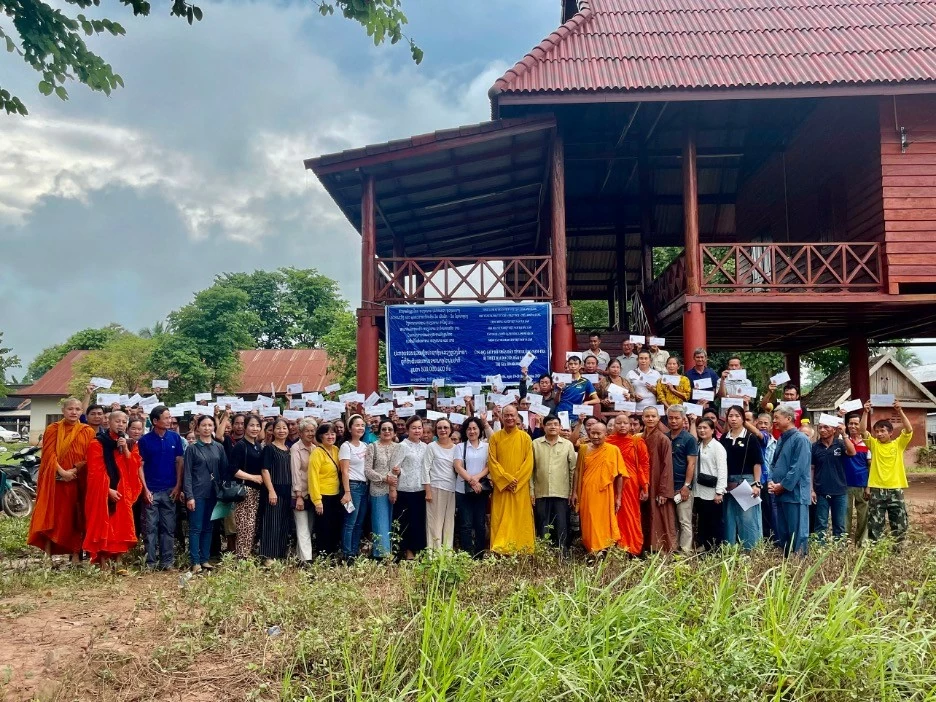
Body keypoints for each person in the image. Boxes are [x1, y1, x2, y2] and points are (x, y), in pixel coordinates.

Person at [28, 397, 97, 561]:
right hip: (56, 482)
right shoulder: (53, 429)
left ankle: (75, 556)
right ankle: (48, 556)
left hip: (76, 481)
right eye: (70, 409)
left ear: (81, 412)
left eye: (77, 409)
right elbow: (48, 454)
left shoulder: (87, 431)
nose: (74, 412)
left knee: (75, 518)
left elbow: (90, 456)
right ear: (63, 411)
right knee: (52, 517)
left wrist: (74, 469)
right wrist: (62, 472)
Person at [82, 410, 142, 571]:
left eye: (124, 422)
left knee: (122, 526)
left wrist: (126, 450)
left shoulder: (129, 444)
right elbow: (94, 472)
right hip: (104, 492)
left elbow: (135, 466)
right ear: (109, 422)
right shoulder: (97, 443)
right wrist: (107, 490)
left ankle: (119, 560)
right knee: (103, 526)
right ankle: (103, 563)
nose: (120, 424)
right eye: (117, 421)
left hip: (123, 491)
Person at [136, 405, 185, 570]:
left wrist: (178, 485)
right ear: (155, 421)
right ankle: (150, 563)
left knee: (168, 528)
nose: (169, 420)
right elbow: (140, 465)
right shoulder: (144, 440)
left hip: (170, 490)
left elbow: (179, 462)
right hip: (151, 490)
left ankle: (167, 562)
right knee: (150, 529)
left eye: (170, 417)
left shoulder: (175, 438)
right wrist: (145, 489)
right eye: (166, 417)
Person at [859, 399, 912, 543]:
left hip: (895, 489)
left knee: (900, 525)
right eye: (876, 431)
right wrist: (865, 412)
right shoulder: (874, 445)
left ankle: (898, 553)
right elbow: (862, 430)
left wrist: (900, 411)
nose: (879, 434)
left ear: (890, 433)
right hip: (877, 490)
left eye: (882, 431)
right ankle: (875, 553)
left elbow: (908, 430)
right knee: (875, 525)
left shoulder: (898, 444)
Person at [487, 405, 536, 554]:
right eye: (506, 415)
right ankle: (500, 549)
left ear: (517, 417)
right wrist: (506, 480)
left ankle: (522, 548)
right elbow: (492, 462)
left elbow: (529, 463)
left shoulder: (525, 437)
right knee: (501, 518)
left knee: (520, 519)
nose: (509, 418)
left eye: (512, 415)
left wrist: (515, 482)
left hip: (519, 488)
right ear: (501, 417)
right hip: (502, 488)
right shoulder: (495, 437)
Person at [573, 421, 627, 554]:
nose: (595, 436)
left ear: (606, 434)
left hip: (605, 493)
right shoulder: (584, 449)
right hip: (587, 492)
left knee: (604, 521)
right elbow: (578, 471)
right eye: (593, 433)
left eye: (599, 433)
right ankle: (591, 549)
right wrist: (574, 492)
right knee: (589, 521)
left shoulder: (613, 450)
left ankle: (602, 549)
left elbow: (620, 474)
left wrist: (618, 497)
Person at [184, 415, 228, 573]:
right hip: (197, 493)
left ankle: (205, 558)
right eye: (204, 425)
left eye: (210, 425)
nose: (207, 428)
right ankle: (195, 561)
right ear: (198, 428)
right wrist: (189, 496)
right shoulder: (192, 448)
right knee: (196, 528)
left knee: (209, 527)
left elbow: (224, 471)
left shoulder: (219, 447)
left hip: (214, 494)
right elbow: (187, 474)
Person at [769, 404, 812, 557]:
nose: (774, 421)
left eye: (777, 418)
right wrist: (772, 482)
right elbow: (774, 464)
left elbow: (798, 468)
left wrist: (783, 485)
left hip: (795, 494)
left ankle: (799, 564)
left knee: (798, 532)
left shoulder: (801, 439)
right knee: (784, 532)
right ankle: (787, 563)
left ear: (788, 419)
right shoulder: (781, 438)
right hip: (780, 493)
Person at [530, 414, 577, 553]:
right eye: (549, 424)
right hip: (541, 491)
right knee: (543, 523)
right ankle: (545, 553)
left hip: (561, 492)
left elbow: (573, 470)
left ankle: (563, 553)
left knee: (562, 524)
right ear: (543, 426)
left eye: (555, 424)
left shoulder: (567, 444)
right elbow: (531, 470)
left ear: (560, 427)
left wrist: (571, 492)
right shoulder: (535, 444)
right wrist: (531, 491)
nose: (552, 427)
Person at [719, 405, 763, 551]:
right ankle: (729, 550)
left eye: (737, 416)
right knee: (729, 517)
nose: (733, 419)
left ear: (743, 418)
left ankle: (751, 551)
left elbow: (757, 463)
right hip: (728, 482)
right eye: (731, 416)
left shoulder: (751, 437)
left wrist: (756, 484)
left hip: (747, 481)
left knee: (748, 518)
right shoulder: (724, 437)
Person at [606, 414, 649, 556]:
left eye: (626, 423)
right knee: (612, 514)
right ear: (614, 425)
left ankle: (633, 547)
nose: (623, 426)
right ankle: (614, 545)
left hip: (630, 485)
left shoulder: (637, 442)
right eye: (619, 423)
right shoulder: (607, 442)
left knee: (631, 515)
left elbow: (644, 465)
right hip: (611, 483)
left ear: (631, 425)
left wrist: (645, 486)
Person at [810, 418, 856, 543]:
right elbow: (812, 469)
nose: (823, 430)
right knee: (820, 524)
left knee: (840, 525)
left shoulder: (840, 444)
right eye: (820, 427)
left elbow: (852, 452)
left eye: (826, 427)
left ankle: (839, 551)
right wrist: (811, 490)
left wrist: (844, 434)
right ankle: (819, 550)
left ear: (834, 429)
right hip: (821, 491)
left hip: (839, 491)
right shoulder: (815, 447)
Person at [453, 416, 491, 558]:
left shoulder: (487, 447)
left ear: (480, 430)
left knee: (480, 523)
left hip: (481, 489)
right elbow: (458, 466)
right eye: (469, 428)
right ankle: (466, 555)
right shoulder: (460, 447)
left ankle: (479, 554)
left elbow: (489, 466)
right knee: (465, 524)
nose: (472, 431)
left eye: (475, 428)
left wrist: (477, 479)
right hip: (463, 490)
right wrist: (471, 480)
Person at [641, 406, 676, 552]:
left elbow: (667, 466)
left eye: (653, 416)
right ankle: (645, 546)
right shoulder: (640, 438)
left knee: (659, 516)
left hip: (657, 484)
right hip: (644, 483)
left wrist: (663, 491)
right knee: (645, 515)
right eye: (647, 416)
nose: (650, 419)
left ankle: (661, 548)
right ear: (642, 418)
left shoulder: (663, 439)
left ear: (658, 418)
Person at [258, 418, 292, 565]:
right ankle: (267, 556)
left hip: (287, 490)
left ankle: (279, 553)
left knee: (283, 523)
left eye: (284, 428)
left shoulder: (289, 449)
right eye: (278, 428)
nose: (281, 431)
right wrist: (271, 491)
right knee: (271, 523)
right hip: (274, 490)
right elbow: (264, 470)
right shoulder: (269, 448)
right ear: (272, 431)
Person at [393, 416, 428, 560]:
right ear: (408, 430)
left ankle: (418, 549)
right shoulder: (402, 446)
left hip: (420, 489)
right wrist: (393, 489)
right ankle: (407, 552)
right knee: (405, 522)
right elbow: (394, 468)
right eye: (414, 428)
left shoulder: (425, 446)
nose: (417, 430)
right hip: (404, 490)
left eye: (419, 427)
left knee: (418, 522)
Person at [364, 418, 399, 560]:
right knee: (380, 522)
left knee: (392, 522)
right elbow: (367, 470)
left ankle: (391, 552)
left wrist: (393, 483)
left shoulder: (398, 447)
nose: (387, 431)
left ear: (394, 432)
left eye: (390, 429)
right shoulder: (373, 447)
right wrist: (384, 478)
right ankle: (381, 556)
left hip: (395, 489)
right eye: (384, 429)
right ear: (379, 431)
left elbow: (399, 469)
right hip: (378, 489)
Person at [230, 415, 264, 559]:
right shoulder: (241, 445)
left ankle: (248, 554)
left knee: (253, 524)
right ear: (245, 427)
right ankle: (242, 557)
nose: (254, 428)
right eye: (251, 425)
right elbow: (233, 470)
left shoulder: (257, 445)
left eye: (257, 425)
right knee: (245, 524)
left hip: (258, 491)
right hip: (245, 490)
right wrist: (253, 477)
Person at [667, 405, 698, 555]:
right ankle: (672, 548)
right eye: (670, 418)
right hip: (667, 487)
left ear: (683, 419)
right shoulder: (665, 437)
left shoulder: (689, 439)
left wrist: (686, 485)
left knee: (684, 520)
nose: (673, 421)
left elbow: (691, 463)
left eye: (676, 418)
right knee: (671, 521)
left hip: (682, 487)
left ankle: (685, 551)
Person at [422, 417, 458, 550]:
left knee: (449, 523)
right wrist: (428, 491)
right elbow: (425, 469)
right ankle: (434, 555)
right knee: (434, 524)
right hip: (435, 489)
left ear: (451, 430)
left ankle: (447, 554)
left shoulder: (456, 448)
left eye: (445, 427)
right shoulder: (431, 447)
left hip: (452, 489)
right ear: (436, 431)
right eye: (439, 428)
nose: (443, 430)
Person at [692, 418, 727, 553]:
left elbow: (722, 469)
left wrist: (719, 491)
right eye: (699, 428)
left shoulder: (717, 447)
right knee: (703, 521)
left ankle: (716, 549)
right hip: (699, 490)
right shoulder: (699, 445)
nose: (702, 430)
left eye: (705, 428)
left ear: (713, 430)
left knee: (714, 522)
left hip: (713, 491)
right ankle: (704, 546)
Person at [308, 422, 343, 558]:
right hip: (322, 495)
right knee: (323, 528)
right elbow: (313, 477)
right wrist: (317, 501)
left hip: (335, 495)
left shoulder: (336, 450)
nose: (330, 436)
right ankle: (323, 556)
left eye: (333, 433)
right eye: (327, 434)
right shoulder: (317, 453)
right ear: (320, 436)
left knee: (334, 526)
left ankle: (332, 554)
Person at [339, 414, 369, 562]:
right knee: (350, 522)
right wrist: (347, 492)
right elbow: (344, 471)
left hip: (365, 486)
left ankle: (354, 551)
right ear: (350, 428)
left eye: (362, 425)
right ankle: (346, 554)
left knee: (359, 522)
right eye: (357, 425)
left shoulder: (365, 446)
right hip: (352, 486)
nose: (360, 428)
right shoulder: (346, 446)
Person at [290, 418, 317, 564]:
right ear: (300, 433)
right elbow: (295, 472)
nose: (310, 433)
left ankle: (301, 558)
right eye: (307, 431)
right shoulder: (296, 448)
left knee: (309, 527)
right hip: (299, 493)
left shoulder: (315, 448)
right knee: (302, 527)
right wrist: (298, 495)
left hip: (312, 494)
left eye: (313, 430)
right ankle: (308, 560)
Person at [842, 412, 871, 545]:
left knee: (863, 515)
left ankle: (861, 542)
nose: (853, 426)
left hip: (862, 483)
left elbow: (870, 466)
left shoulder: (868, 443)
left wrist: (868, 487)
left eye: (856, 423)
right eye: (850, 423)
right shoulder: (843, 441)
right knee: (844, 514)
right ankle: (844, 541)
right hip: (845, 484)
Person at [555, 355, 599, 421]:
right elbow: (556, 402)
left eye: (575, 364)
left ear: (580, 366)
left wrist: (586, 402)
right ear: (568, 366)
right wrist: (559, 391)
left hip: (576, 416)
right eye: (571, 364)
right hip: (561, 413)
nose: (573, 366)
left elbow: (597, 400)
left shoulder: (585, 382)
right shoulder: (561, 381)